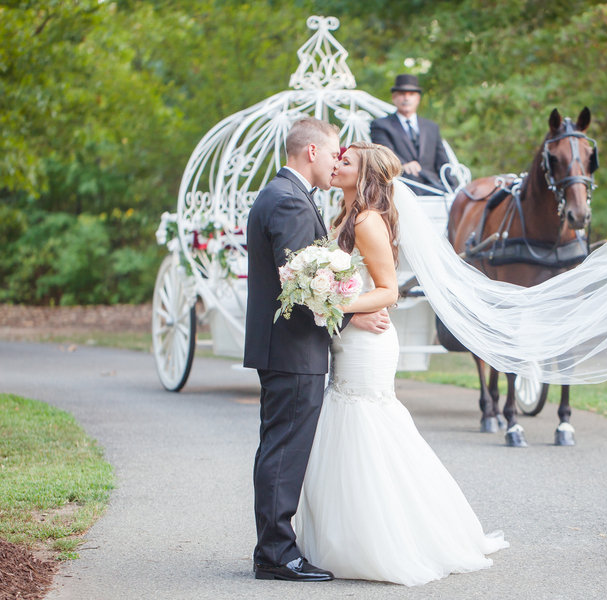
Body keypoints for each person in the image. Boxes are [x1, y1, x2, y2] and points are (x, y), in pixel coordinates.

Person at [294, 141, 508, 586]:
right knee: (346, 424)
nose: (336, 165)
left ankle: (389, 540)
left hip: (368, 343)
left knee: (369, 425)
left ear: (365, 174)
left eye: (346, 163)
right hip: (349, 335)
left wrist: (338, 304)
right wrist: (329, 302)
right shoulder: (341, 218)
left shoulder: (369, 221)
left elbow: (389, 289)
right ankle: (344, 536)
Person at [243, 119, 390, 582]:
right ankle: (276, 554)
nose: (334, 163)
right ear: (311, 152)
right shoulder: (288, 200)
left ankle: (274, 547)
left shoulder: (284, 195)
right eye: (332, 155)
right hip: (292, 348)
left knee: (280, 447)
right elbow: (303, 285)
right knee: (284, 451)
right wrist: (352, 315)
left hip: (288, 348)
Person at [370, 74, 456, 193]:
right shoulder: (381, 125)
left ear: (418, 99)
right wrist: (403, 166)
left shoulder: (431, 127)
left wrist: (454, 188)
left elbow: (442, 161)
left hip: (433, 186)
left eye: (411, 94)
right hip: (402, 185)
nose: (406, 98)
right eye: (402, 94)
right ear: (394, 98)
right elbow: (385, 154)